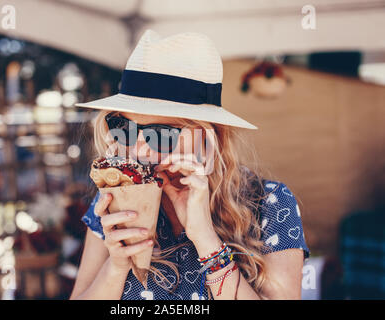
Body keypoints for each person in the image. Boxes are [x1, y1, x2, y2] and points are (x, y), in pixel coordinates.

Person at [70, 30, 309, 300]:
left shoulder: (270, 202)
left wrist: (206, 239)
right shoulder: (115, 201)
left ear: (207, 137)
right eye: (123, 127)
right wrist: (116, 265)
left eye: (159, 135)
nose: (137, 149)